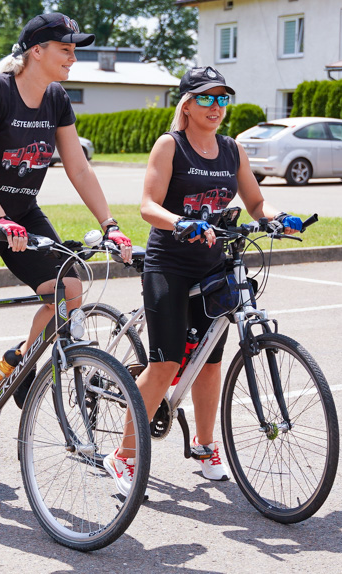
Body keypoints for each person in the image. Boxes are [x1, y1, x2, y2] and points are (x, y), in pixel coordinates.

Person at [0, 12, 133, 488]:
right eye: (66, 48)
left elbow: (78, 168)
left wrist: (111, 224)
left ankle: (18, 360)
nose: (73, 57)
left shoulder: (56, 99)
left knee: (70, 288)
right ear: (36, 49)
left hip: (20, 215)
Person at [106, 67, 303, 496]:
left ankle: (204, 444)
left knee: (210, 362)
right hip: (169, 264)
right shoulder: (169, 145)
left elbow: (254, 200)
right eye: (207, 99)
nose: (216, 107)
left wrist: (275, 217)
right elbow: (147, 205)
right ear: (188, 104)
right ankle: (124, 454)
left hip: (213, 266)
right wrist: (181, 222)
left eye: (222, 99)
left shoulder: (232, 150)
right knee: (166, 363)